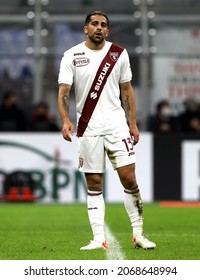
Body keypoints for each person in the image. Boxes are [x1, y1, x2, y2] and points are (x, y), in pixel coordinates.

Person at [57, 11, 156, 250]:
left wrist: (132, 123)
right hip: (88, 127)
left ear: (107, 30)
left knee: (129, 178)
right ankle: (98, 238)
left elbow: (127, 91)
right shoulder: (71, 55)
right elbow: (63, 91)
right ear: (86, 28)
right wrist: (65, 120)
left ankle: (139, 234)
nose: (99, 27)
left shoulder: (119, 54)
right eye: (94, 24)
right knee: (94, 182)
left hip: (116, 126)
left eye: (103, 25)